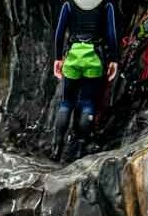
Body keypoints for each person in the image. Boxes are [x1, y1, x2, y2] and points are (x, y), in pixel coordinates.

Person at [52, 0, 120, 161]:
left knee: (67, 102)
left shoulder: (69, 4)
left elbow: (59, 32)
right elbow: (112, 34)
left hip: (73, 56)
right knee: (88, 102)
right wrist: (114, 59)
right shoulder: (106, 4)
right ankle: (81, 149)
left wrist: (57, 58)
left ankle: (57, 148)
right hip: (94, 57)